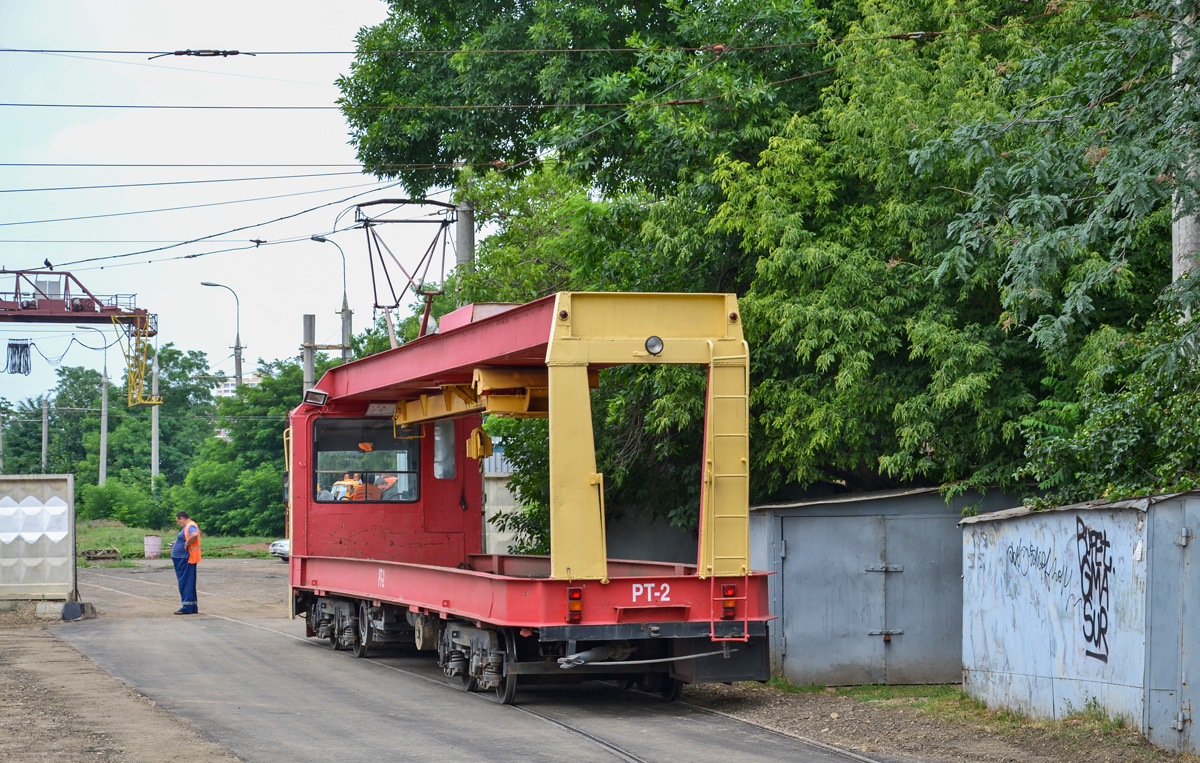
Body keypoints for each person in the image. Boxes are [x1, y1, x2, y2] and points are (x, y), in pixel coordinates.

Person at [170, 511, 201, 615]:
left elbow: (194, 534)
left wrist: (186, 544)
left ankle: (187, 607)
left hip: (184, 559)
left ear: (182, 518)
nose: (179, 523)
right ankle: (191, 606)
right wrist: (178, 543)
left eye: (178, 521)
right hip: (182, 558)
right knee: (188, 582)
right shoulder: (187, 527)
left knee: (185, 582)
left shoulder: (190, 525)